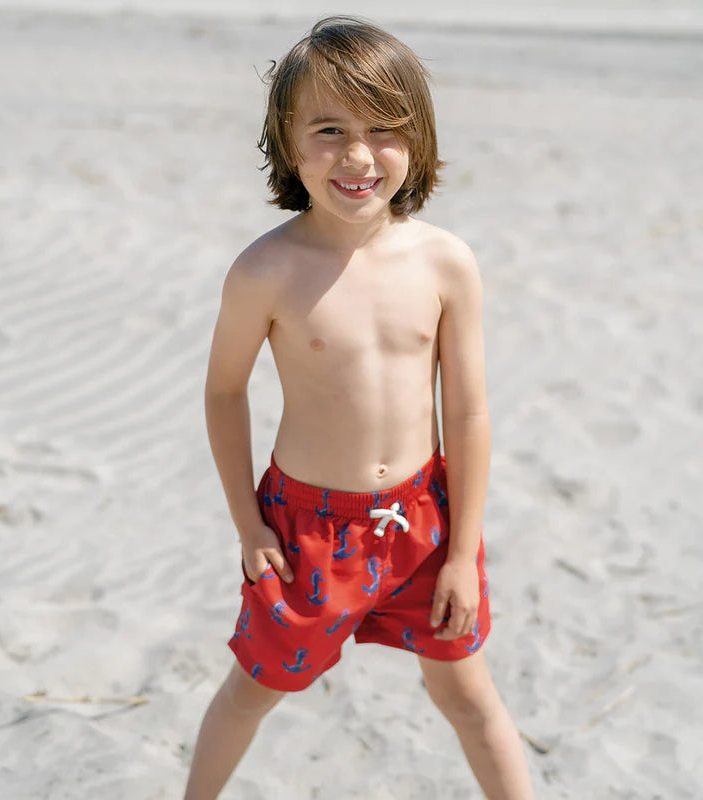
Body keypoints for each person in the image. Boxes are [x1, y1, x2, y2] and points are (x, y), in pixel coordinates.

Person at [184, 16, 534, 800]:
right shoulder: (266, 271)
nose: (357, 156)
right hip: (306, 532)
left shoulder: (445, 262)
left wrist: (462, 553)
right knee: (254, 688)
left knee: (468, 697)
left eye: (383, 129)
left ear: (419, 138)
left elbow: (469, 414)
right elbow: (224, 391)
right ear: (287, 140)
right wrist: (249, 525)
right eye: (329, 130)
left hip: (425, 521)